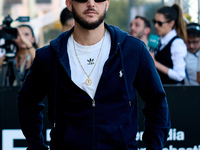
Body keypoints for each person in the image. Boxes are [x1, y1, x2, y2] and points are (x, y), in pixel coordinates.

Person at [17, 0, 170, 149]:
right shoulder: (48, 56)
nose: (91, 3)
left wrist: (154, 147)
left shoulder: (133, 50)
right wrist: (36, 146)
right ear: (69, 3)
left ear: (107, 3)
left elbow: (156, 100)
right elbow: (27, 101)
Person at [150, 3, 187, 84]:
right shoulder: (158, 40)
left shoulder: (177, 43)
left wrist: (155, 63)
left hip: (173, 92)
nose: (156, 25)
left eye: (160, 23)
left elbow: (180, 76)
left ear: (171, 23)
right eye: (154, 22)